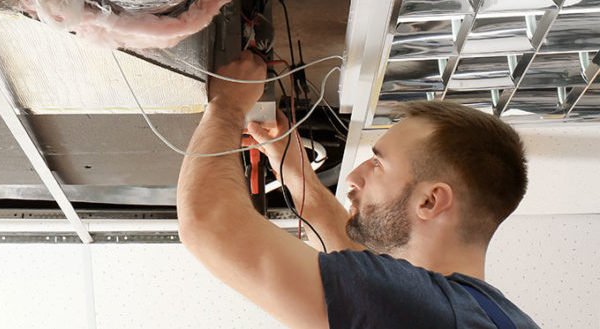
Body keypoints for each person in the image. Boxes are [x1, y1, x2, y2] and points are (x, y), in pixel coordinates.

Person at [177, 50, 540, 328]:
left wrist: (227, 106)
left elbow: (210, 224)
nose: (352, 178)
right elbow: (361, 270)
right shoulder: (481, 313)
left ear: (430, 201)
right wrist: (295, 170)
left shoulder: (431, 312)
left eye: (379, 164)